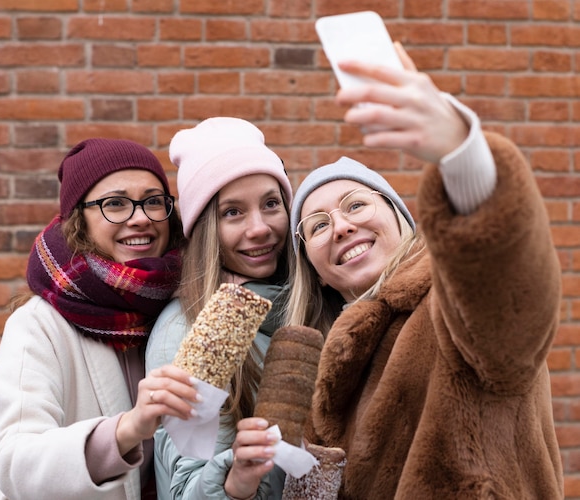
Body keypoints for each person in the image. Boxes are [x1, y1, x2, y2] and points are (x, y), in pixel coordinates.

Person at [286, 47, 564, 498]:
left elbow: (507, 284)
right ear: (314, 271)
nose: (341, 226)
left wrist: (461, 155)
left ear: (401, 219)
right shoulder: (329, 369)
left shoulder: (455, 306)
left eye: (356, 204)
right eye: (317, 226)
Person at [0, 138, 201, 500]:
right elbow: (13, 462)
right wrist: (127, 429)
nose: (140, 217)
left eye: (153, 201)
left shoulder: (183, 311)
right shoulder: (38, 326)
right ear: (78, 219)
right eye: (115, 203)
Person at [145, 117, 294, 500]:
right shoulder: (187, 330)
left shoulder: (310, 308)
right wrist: (238, 479)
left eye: (271, 203)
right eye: (233, 212)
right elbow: (185, 488)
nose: (259, 227)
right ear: (206, 229)